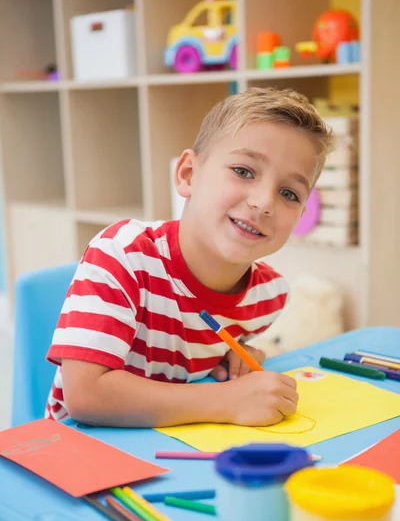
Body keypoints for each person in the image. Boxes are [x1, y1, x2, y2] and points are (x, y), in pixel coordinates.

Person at [46, 87, 334, 428]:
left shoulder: (269, 295)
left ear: (300, 216)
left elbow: (192, 359)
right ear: (188, 175)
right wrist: (227, 401)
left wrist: (236, 359)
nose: (264, 202)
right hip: (84, 457)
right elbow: (86, 395)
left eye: (289, 193)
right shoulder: (121, 254)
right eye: (244, 171)